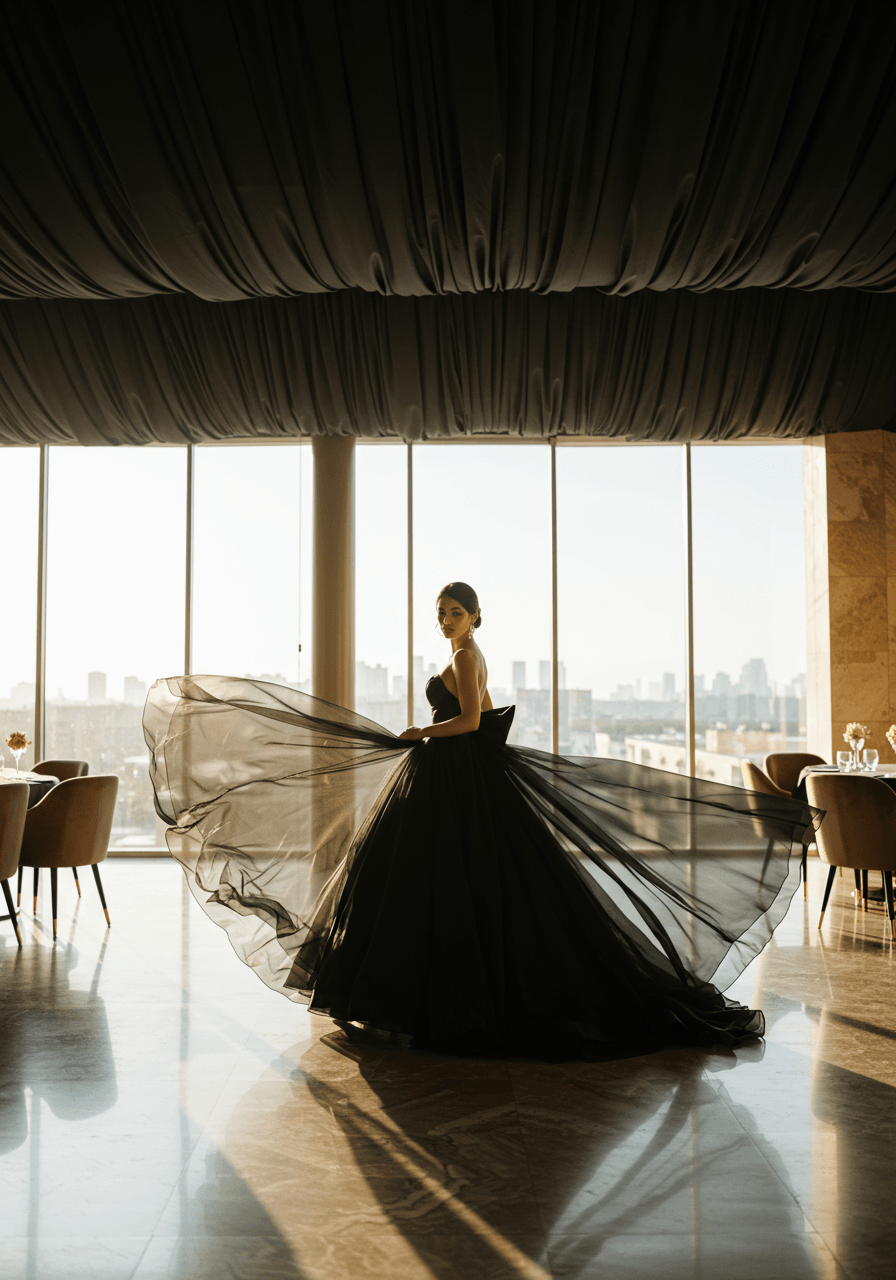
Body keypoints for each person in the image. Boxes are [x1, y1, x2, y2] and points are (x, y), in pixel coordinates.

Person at [144, 582, 819, 1059]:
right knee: (430, 886)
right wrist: (438, 739)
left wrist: (420, 734)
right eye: (439, 613)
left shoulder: (467, 655)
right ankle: (415, 997)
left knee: (451, 887)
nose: (444, 621)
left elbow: (467, 721)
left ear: (474, 616)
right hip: (451, 776)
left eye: (453, 612)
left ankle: (434, 1001)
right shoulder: (462, 657)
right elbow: (488, 717)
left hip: (453, 775)